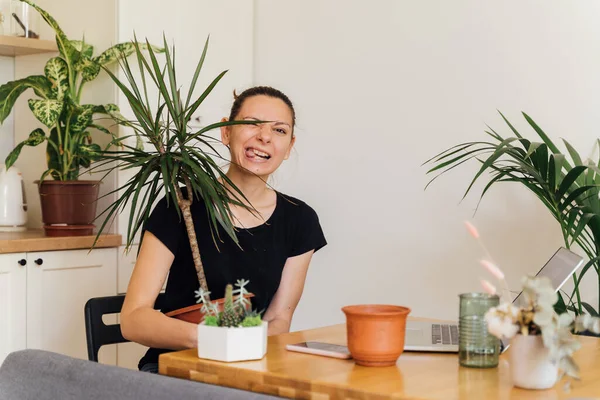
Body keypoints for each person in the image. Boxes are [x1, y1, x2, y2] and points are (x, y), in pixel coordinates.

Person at [120, 86, 327, 373]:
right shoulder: (180, 206)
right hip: (174, 369)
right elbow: (132, 319)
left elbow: (278, 319)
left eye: (279, 130)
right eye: (251, 124)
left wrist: (240, 353)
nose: (265, 136)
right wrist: (210, 339)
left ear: (289, 147)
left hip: (250, 369)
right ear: (226, 133)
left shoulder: (300, 220)